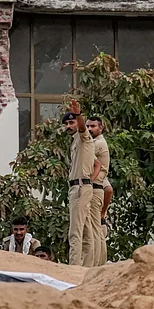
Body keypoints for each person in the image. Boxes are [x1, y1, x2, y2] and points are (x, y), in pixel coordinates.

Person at [62, 99, 95, 266]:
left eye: (71, 122)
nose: (69, 125)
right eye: (66, 123)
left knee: (75, 232)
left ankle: (73, 270)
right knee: (87, 232)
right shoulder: (76, 141)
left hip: (80, 187)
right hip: (82, 186)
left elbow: (82, 128)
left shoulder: (83, 137)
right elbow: (97, 164)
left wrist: (78, 114)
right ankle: (89, 269)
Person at [87, 116, 112, 266]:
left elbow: (108, 188)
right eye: (88, 126)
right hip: (98, 186)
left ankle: (96, 264)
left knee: (93, 230)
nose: (90, 129)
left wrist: (90, 182)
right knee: (96, 229)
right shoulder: (95, 142)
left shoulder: (97, 144)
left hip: (94, 187)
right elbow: (109, 189)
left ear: (101, 128)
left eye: (93, 126)